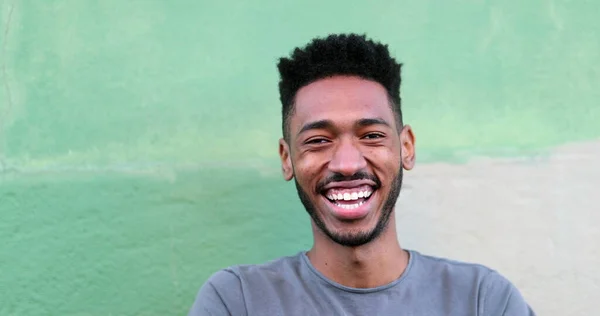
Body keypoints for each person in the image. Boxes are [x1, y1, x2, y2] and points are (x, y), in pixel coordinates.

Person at [189, 33, 536, 316]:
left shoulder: (483, 301)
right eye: (318, 141)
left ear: (406, 148)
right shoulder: (237, 302)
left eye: (371, 135)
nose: (347, 164)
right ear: (287, 158)